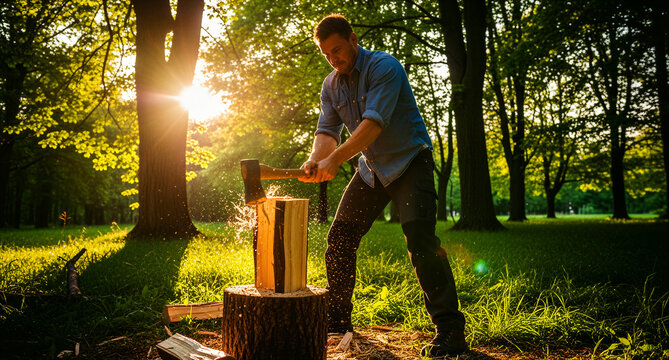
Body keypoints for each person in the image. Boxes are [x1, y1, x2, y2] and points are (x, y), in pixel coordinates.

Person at [298, 14, 468, 357]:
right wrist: (317, 159)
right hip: (372, 168)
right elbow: (327, 132)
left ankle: (450, 331)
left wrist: (335, 161)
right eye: (326, 54)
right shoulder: (331, 85)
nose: (334, 59)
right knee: (341, 236)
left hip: (409, 161)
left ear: (353, 38)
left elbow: (373, 124)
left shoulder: (384, 67)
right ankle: (337, 321)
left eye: (338, 50)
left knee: (420, 240)